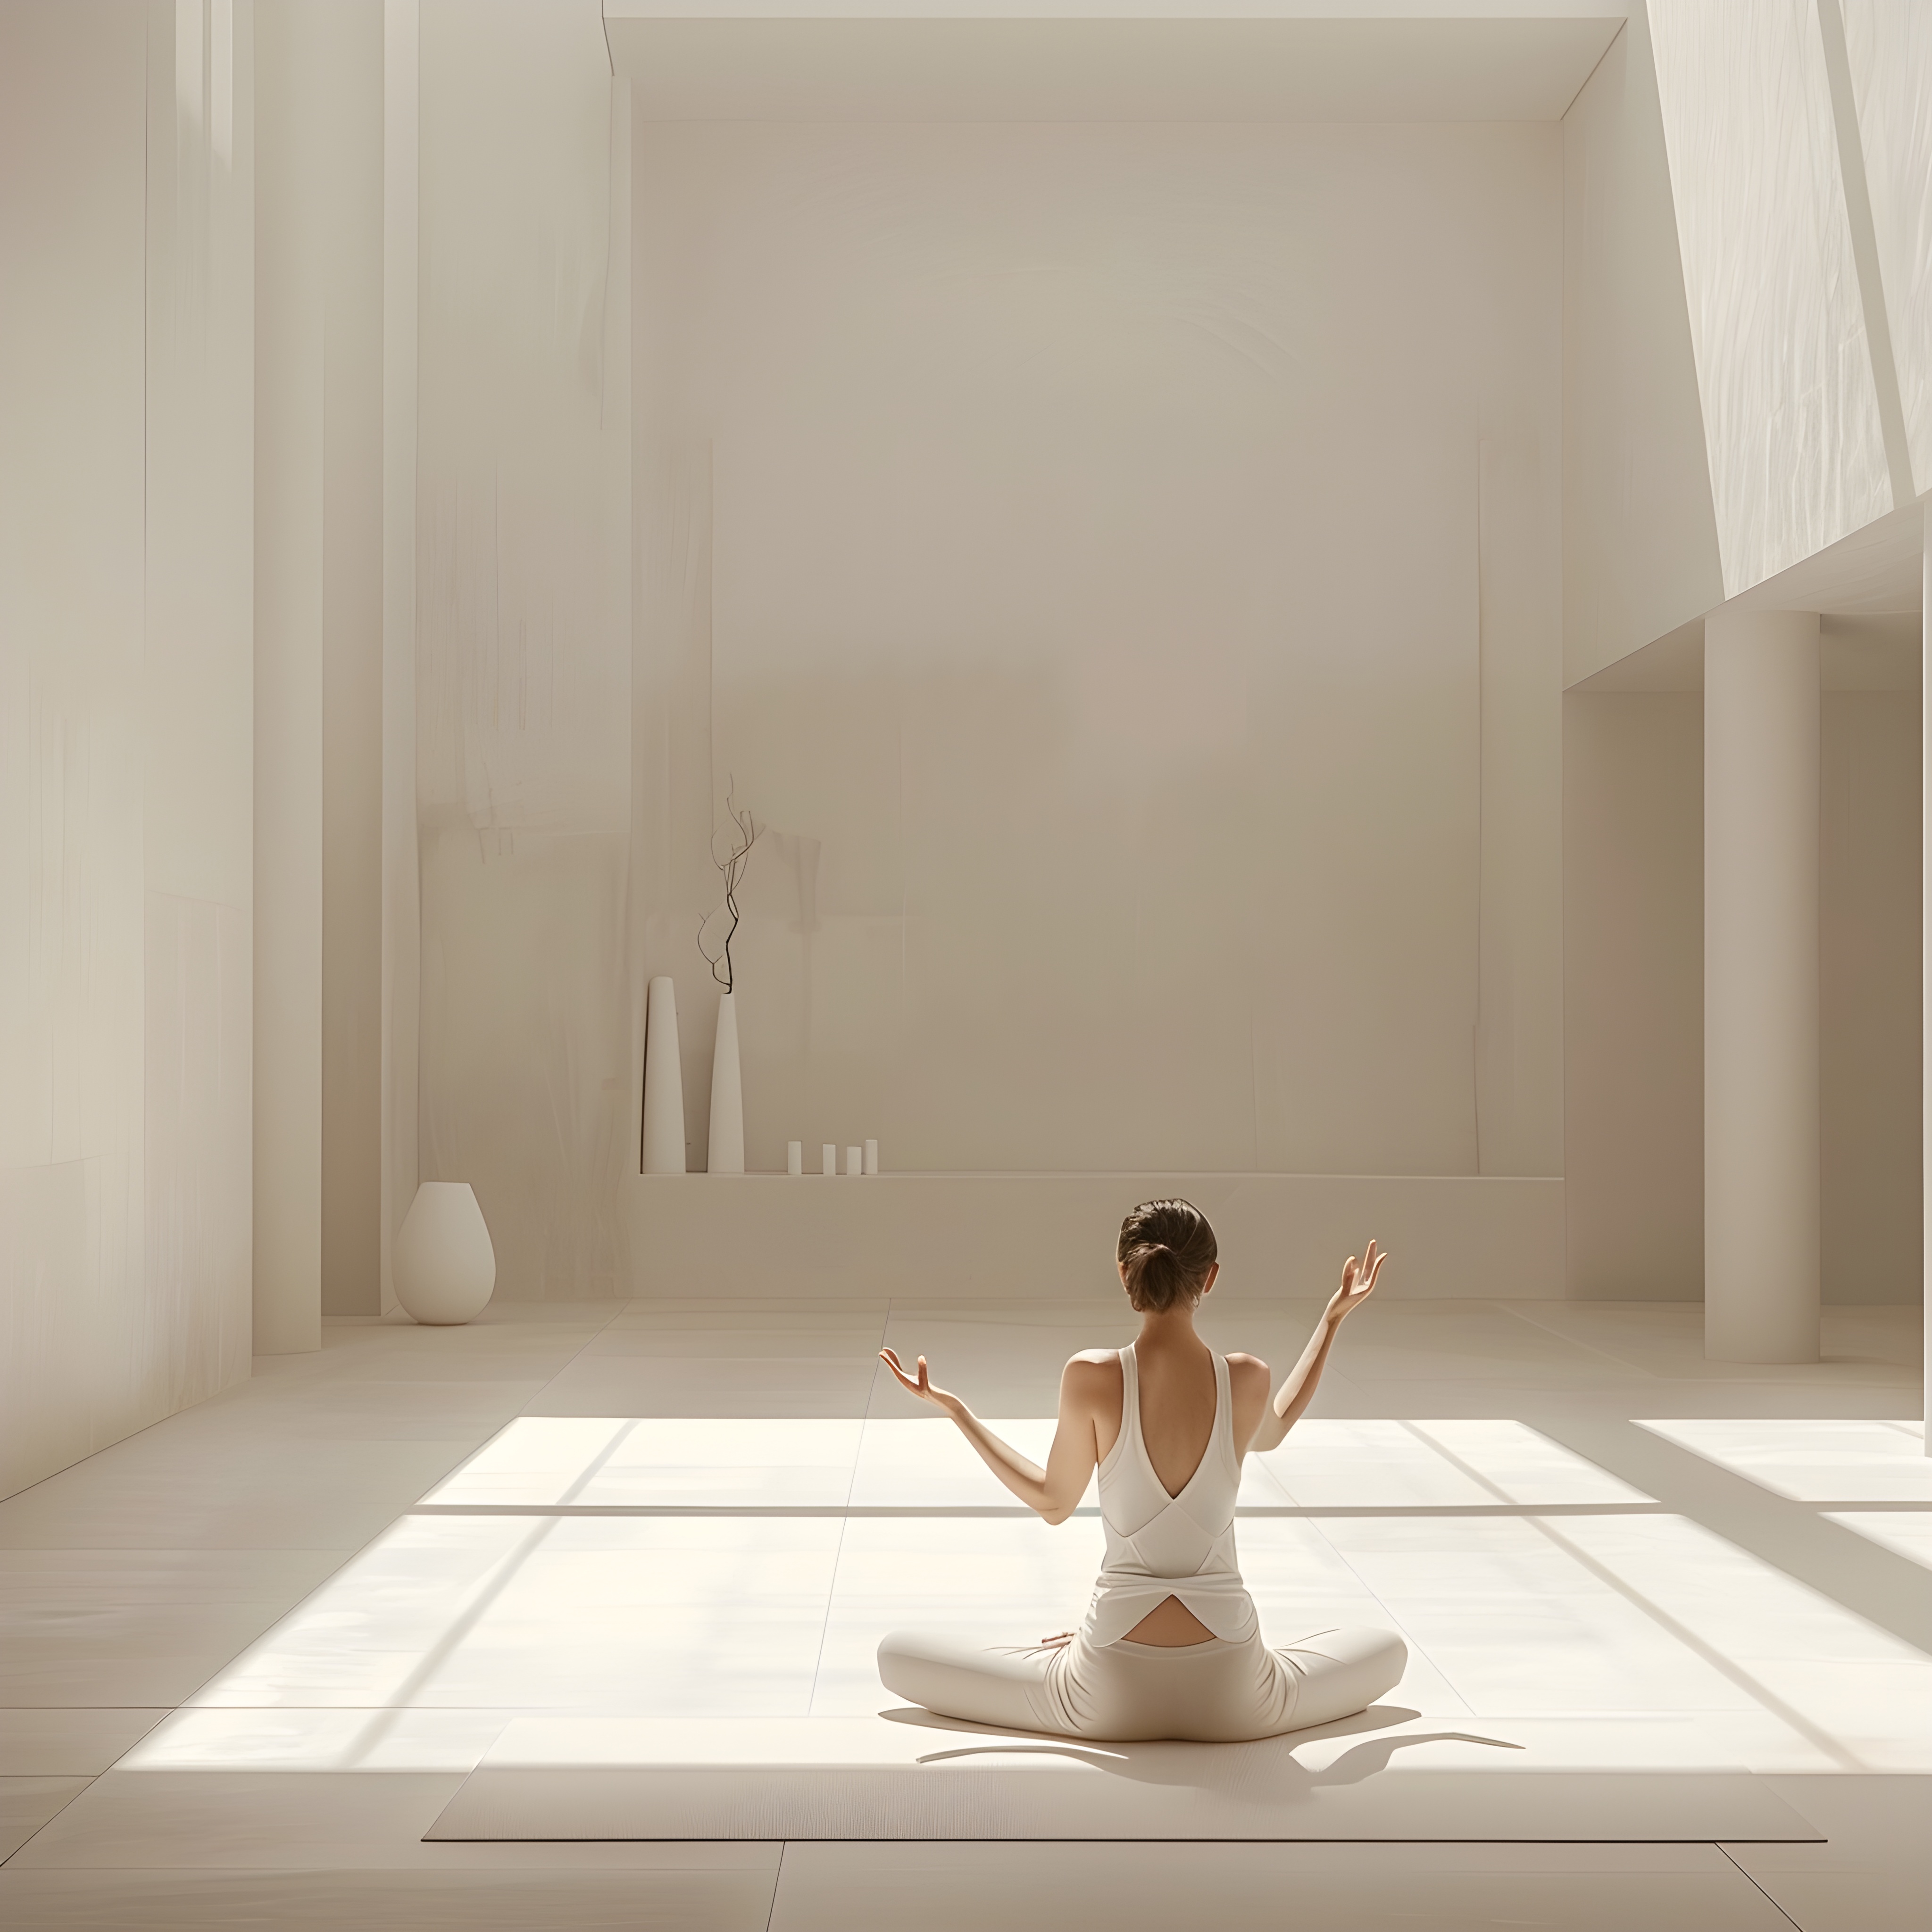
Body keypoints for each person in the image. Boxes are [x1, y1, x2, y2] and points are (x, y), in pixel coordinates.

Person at [875, 1198, 1405, 1741]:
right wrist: (1331, 1318)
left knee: (896, 1655)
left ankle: (1088, 1643)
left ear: (1125, 1271)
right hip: (1235, 1697)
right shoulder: (1247, 1379)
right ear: (1212, 1277)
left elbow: (1052, 1503)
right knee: (1388, 1649)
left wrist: (957, 1411)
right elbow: (1278, 1425)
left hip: (1105, 1693)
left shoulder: (1091, 1375)